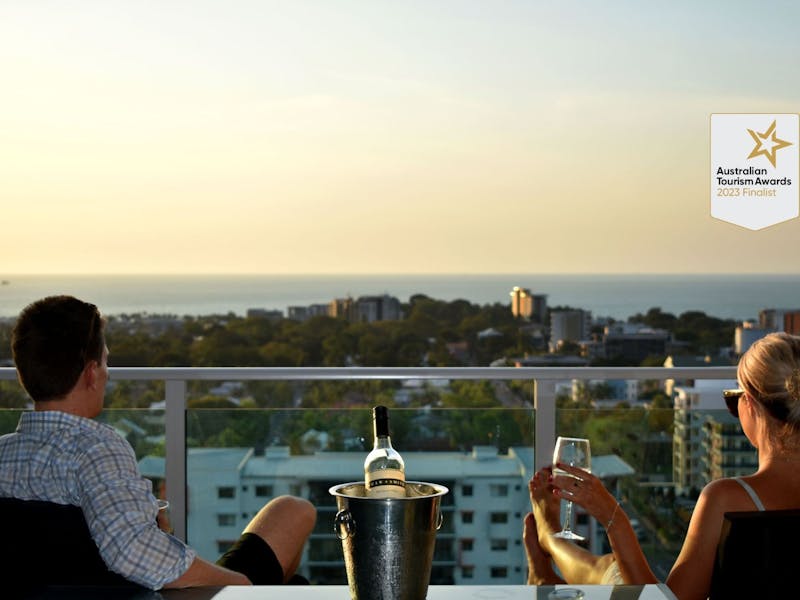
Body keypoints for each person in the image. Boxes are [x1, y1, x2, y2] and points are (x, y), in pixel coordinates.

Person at [0, 295, 316, 590]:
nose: (108, 375)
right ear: (92, 373)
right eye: (106, 362)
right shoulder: (97, 450)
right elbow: (135, 554)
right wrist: (240, 586)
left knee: (292, 513)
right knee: (295, 516)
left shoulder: (3, 452)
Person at [525, 331, 800, 600]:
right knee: (614, 569)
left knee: (616, 573)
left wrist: (612, 515)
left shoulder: (727, 498)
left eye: (734, 398)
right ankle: (548, 560)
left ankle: (550, 543)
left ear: (750, 404)